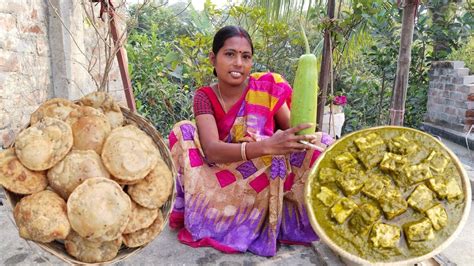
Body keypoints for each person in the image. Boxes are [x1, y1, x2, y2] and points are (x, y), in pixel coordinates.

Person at [168, 25, 334, 256]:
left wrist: (278, 142)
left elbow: (296, 134)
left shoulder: (265, 89)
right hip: (221, 176)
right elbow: (212, 151)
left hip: (263, 171)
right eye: (230, 54)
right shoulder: (205, 96)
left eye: (245, 56)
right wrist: (266, 145)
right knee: (182, 131)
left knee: (322, 143)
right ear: (213, 59)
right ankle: (227, 216)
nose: (238, 63)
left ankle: (298, 215)